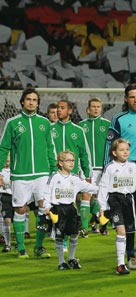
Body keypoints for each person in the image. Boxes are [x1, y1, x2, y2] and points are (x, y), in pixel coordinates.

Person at [0, 88, 58, 259]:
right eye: (28, 99)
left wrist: (53, 169)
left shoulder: (45, 123)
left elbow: (50, 147)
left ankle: (39, 247)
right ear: (22, 102)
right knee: (20, 209)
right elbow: (3, 148)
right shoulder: (12, 123)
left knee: (43, 208)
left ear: (38, 103)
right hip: (20, 175)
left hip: (42, 173)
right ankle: (21, 248)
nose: (31, 102)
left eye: (34, 100)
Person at [104, 84, 136, 269]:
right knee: (130, 214)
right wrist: (107, 168)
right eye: (132, 97)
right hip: (128, 168)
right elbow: (109, 145)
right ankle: (130, 255)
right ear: (126, 99)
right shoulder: (118, 119)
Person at [45, 150, 98, 270]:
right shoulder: (54, 177)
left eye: (73, 160)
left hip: (71, 209)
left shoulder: (75, 178)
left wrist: (101, 189)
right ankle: (61, 262)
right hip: (58, 209)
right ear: (60, 163)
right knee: (60, 235)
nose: (71, 163)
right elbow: (47, 192)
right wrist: (47, 207)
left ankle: (72, 258)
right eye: (68, 160)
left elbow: (87, 187)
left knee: (74, 233)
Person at [98, 138, 136, 275]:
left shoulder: (133, 166)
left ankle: (125, 260)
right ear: (114, 152)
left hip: (128, 200)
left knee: (129, 231)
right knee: (121, 231)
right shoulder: (110, 167)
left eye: (127, 149)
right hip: (115, 200)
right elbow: (103, 186)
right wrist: (102, 207)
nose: (125, 152)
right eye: (121, 150)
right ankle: (120, 264)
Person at [51, 99, 92, 238]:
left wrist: (88, 174)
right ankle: (55, 230)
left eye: (62, 108)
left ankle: (71, 232)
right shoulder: (50, 128)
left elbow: (84, 154)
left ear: (69, 111)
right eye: (57, 107)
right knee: (53, 203)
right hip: (53, 173)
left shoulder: (78, 130)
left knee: (69, 204)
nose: (58, 110)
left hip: (72, 174)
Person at [78, 98, 110, 235]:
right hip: (86, 167)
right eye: (93, 106)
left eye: (98, 106)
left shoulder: (107, 124)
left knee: (100, 198)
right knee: (86, 196)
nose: (96, 109)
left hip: (103, 167)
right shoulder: (80, 126)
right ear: (88, 109)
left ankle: (101, 224)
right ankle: (84, 227)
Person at [0, 153, 12, 252]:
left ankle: (18, 243)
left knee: (17, 220)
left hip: (17, 197)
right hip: (5, 197)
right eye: (5, 156)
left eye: (9, 156)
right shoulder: (1, 171)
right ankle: (8, 244)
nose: (7, 159)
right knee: (6, 220)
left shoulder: (16, 170)